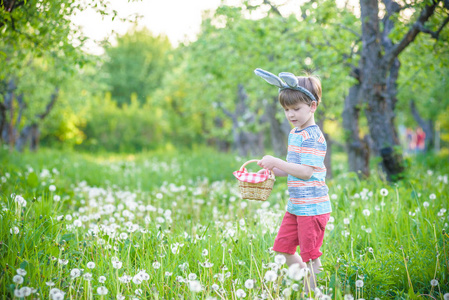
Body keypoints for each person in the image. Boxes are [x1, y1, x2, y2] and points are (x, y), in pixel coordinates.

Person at [254, 68, 331, 294]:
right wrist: (272, 171)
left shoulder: (314, 137)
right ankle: (311, 286)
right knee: (282, 249)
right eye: (286, 109)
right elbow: (293, 169)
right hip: (296, 206)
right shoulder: (295, 133)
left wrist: (277, 160)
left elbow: (306, 172)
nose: (290, 114)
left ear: (312, 106)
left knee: (310, 257)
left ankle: (314, 292)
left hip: (313, 207)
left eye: (296, 109)